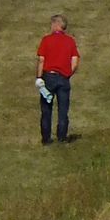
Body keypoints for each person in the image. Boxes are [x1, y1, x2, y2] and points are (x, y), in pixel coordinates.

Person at [36, 13, 80, 145]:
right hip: (63, 77)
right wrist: (68, 74)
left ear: (56, 25)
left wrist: (39, 77)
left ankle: (46, 139)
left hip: (48, 76)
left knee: (46, 109)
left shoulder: (46, 40)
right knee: (63, 109)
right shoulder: (70, 41)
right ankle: (62, 137)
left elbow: (41, 60)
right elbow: (75, 61)